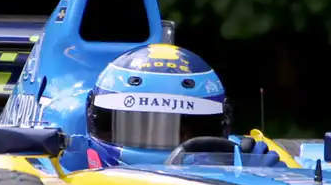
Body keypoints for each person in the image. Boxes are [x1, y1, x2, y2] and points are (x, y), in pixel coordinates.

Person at [84, 43, 283, 167]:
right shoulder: (64, 159)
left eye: (180, 133)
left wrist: (265, 176)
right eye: (137, 128)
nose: (154, 139)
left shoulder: (245, 159)